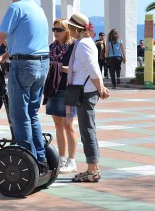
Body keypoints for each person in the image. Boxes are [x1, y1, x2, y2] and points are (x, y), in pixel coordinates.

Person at [0, 0, 51, 175]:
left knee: (19, 116)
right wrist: (5, 56)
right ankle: (41, 158)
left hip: (24, 65)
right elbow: (30, 40)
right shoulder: (38, 9)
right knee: (32, 113)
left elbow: (0, 36)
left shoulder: (16, 8)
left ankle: (28, 160)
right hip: (43, 63)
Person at [66, 13, 110, 182]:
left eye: (70, 27)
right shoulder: (84, 43)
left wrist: (100, 89)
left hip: (85, 93)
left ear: (75, 29)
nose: (68, 30)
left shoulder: (83, 45)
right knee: (88, 129)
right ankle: (94, 168)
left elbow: (93, 69)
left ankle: (92, 170)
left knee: (87, 131)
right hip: (85, 91)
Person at [44, 18, 78, 174]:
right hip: (54, 88)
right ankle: (62, 158)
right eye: (54, 30)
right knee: (58, 124)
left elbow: (75, 68)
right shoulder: (51, 47)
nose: (56, 33)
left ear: (67, 31)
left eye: (59, 30)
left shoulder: (73, 47)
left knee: (68, 125)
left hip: (69, 88)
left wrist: (57, 67)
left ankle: (72, 160)